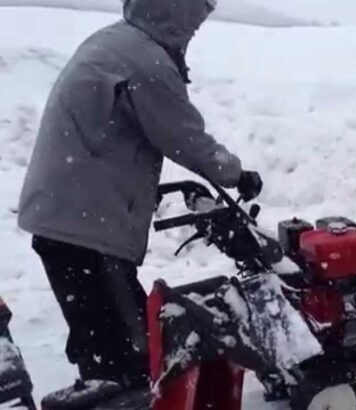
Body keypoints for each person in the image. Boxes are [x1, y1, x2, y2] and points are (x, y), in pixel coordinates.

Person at [16, 0, 261, 388]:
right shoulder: (145, 62)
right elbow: (184, 138)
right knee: (131, 347)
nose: (195, 28)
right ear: (175, 12)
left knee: (98, 331)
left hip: (66, 217)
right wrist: (236, 174)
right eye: (195, 17)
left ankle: (103, 381)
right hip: (85, 228)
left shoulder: (117, 42)